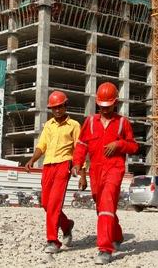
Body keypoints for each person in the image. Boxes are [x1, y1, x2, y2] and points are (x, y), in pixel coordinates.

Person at [72, 82, 138, 265]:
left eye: (108, 107)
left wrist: (119, 144)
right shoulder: (90, 122)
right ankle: (116, 234)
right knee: (101, 207)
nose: (105, 110)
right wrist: (77, 163)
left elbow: (133, 146)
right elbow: (81, 145)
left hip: (114, 169)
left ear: (115, 103)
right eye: (102, 107)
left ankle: (105, 248)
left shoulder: (123, 122)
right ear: (97, 104)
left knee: (108, 202)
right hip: (95, 171)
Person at [25, 90, 87, 254]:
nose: (57, 110)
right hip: (47, 166)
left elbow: (80, 150)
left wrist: (82, 174)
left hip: (64, 165)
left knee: (54, 204)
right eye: (54, 108)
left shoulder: (74, 125)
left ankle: (53, 241)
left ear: (66, 106)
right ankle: (66, 225)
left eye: (60, 106)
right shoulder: (48, 125)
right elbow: (41, 146)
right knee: (46, 203)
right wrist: (32, 159)